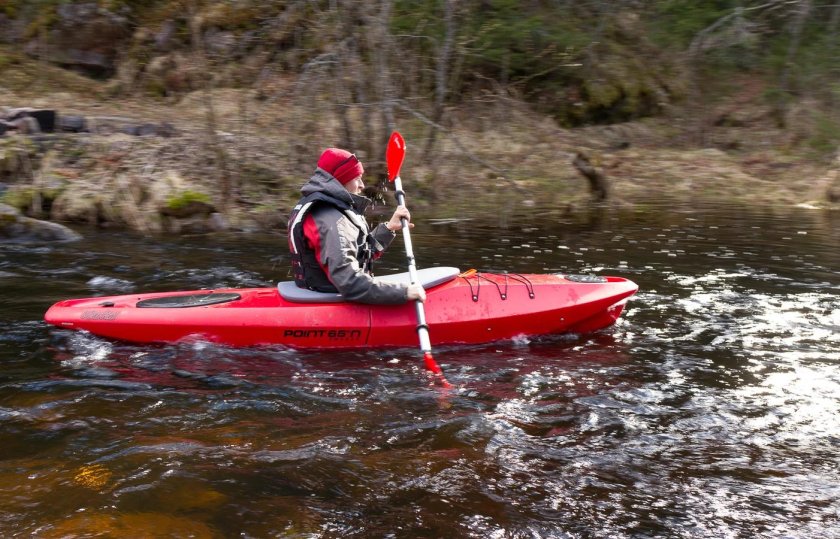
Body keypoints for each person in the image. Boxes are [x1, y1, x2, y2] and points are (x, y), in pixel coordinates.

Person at [287, 148, 427, 304]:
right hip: (329, 301)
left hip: (317, 291)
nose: (362, 185)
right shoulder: (332, 220)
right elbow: (350, 283)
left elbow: (361, 254)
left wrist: (389, 228)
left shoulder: (328, 209)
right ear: (340, 180)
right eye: (357, 178)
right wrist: (403, 292)